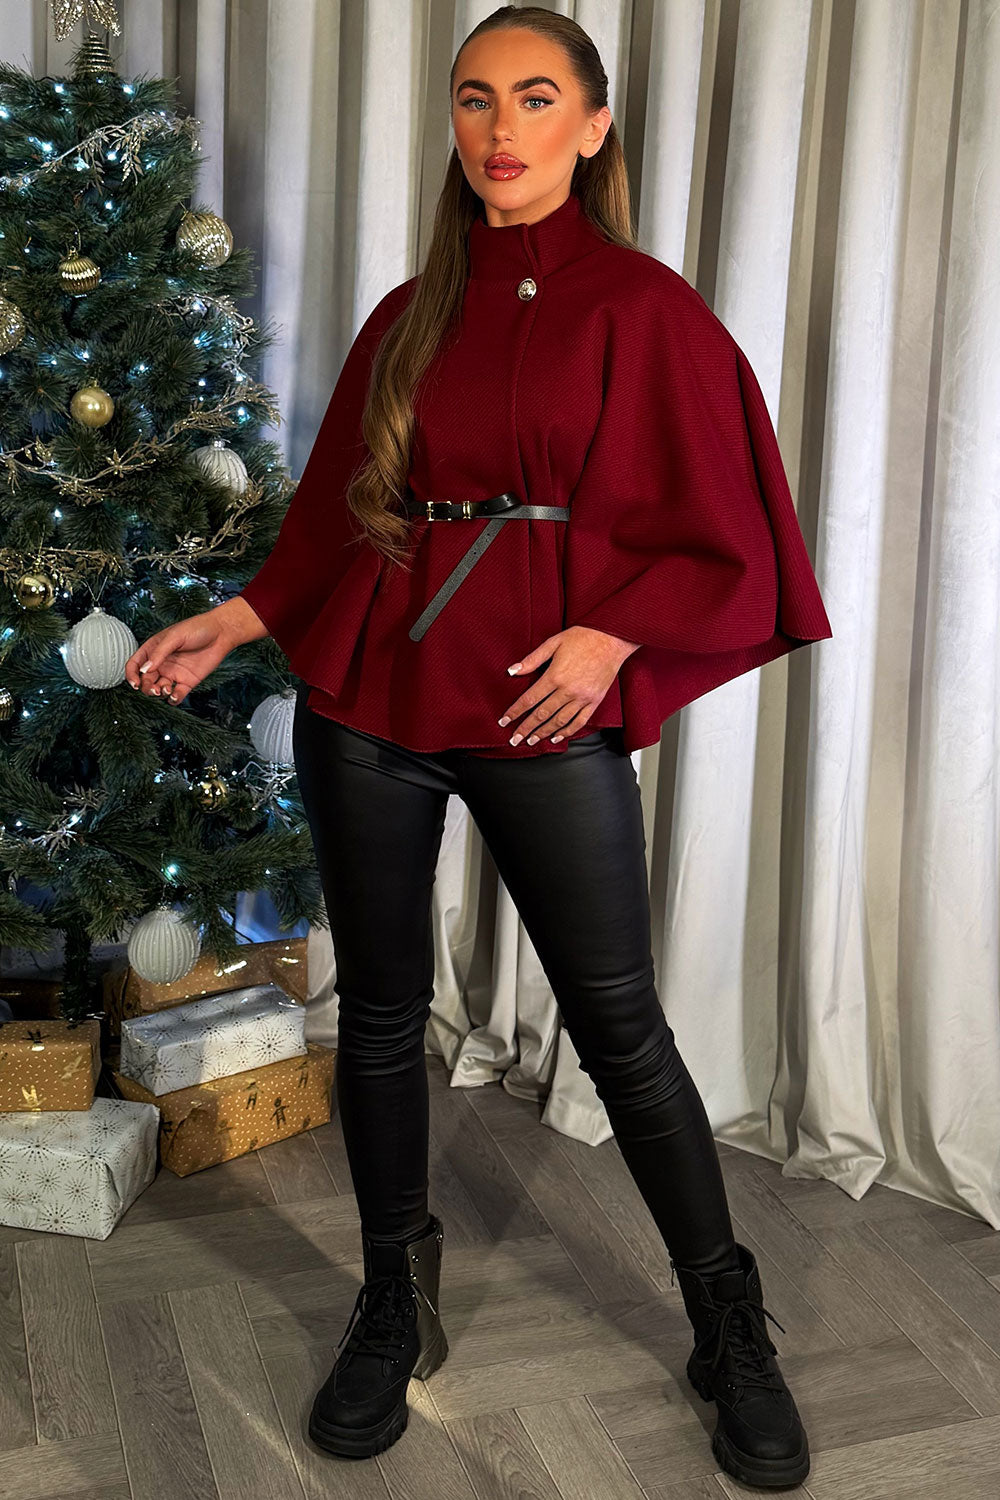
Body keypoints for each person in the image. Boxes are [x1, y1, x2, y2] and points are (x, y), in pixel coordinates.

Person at [126, 6, 831, 1488]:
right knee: (383, 1015)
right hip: (374, 703)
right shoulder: (411, 311)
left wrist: (614, 635)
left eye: (534, 99)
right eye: (473, 100)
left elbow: (731, 530)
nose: (500, 129)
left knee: (620, 1028)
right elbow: (337, 511)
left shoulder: (646, 310)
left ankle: (726, 1322)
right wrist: (234, 622)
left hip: (538, 709)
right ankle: (396, 1294)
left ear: (593, 125)